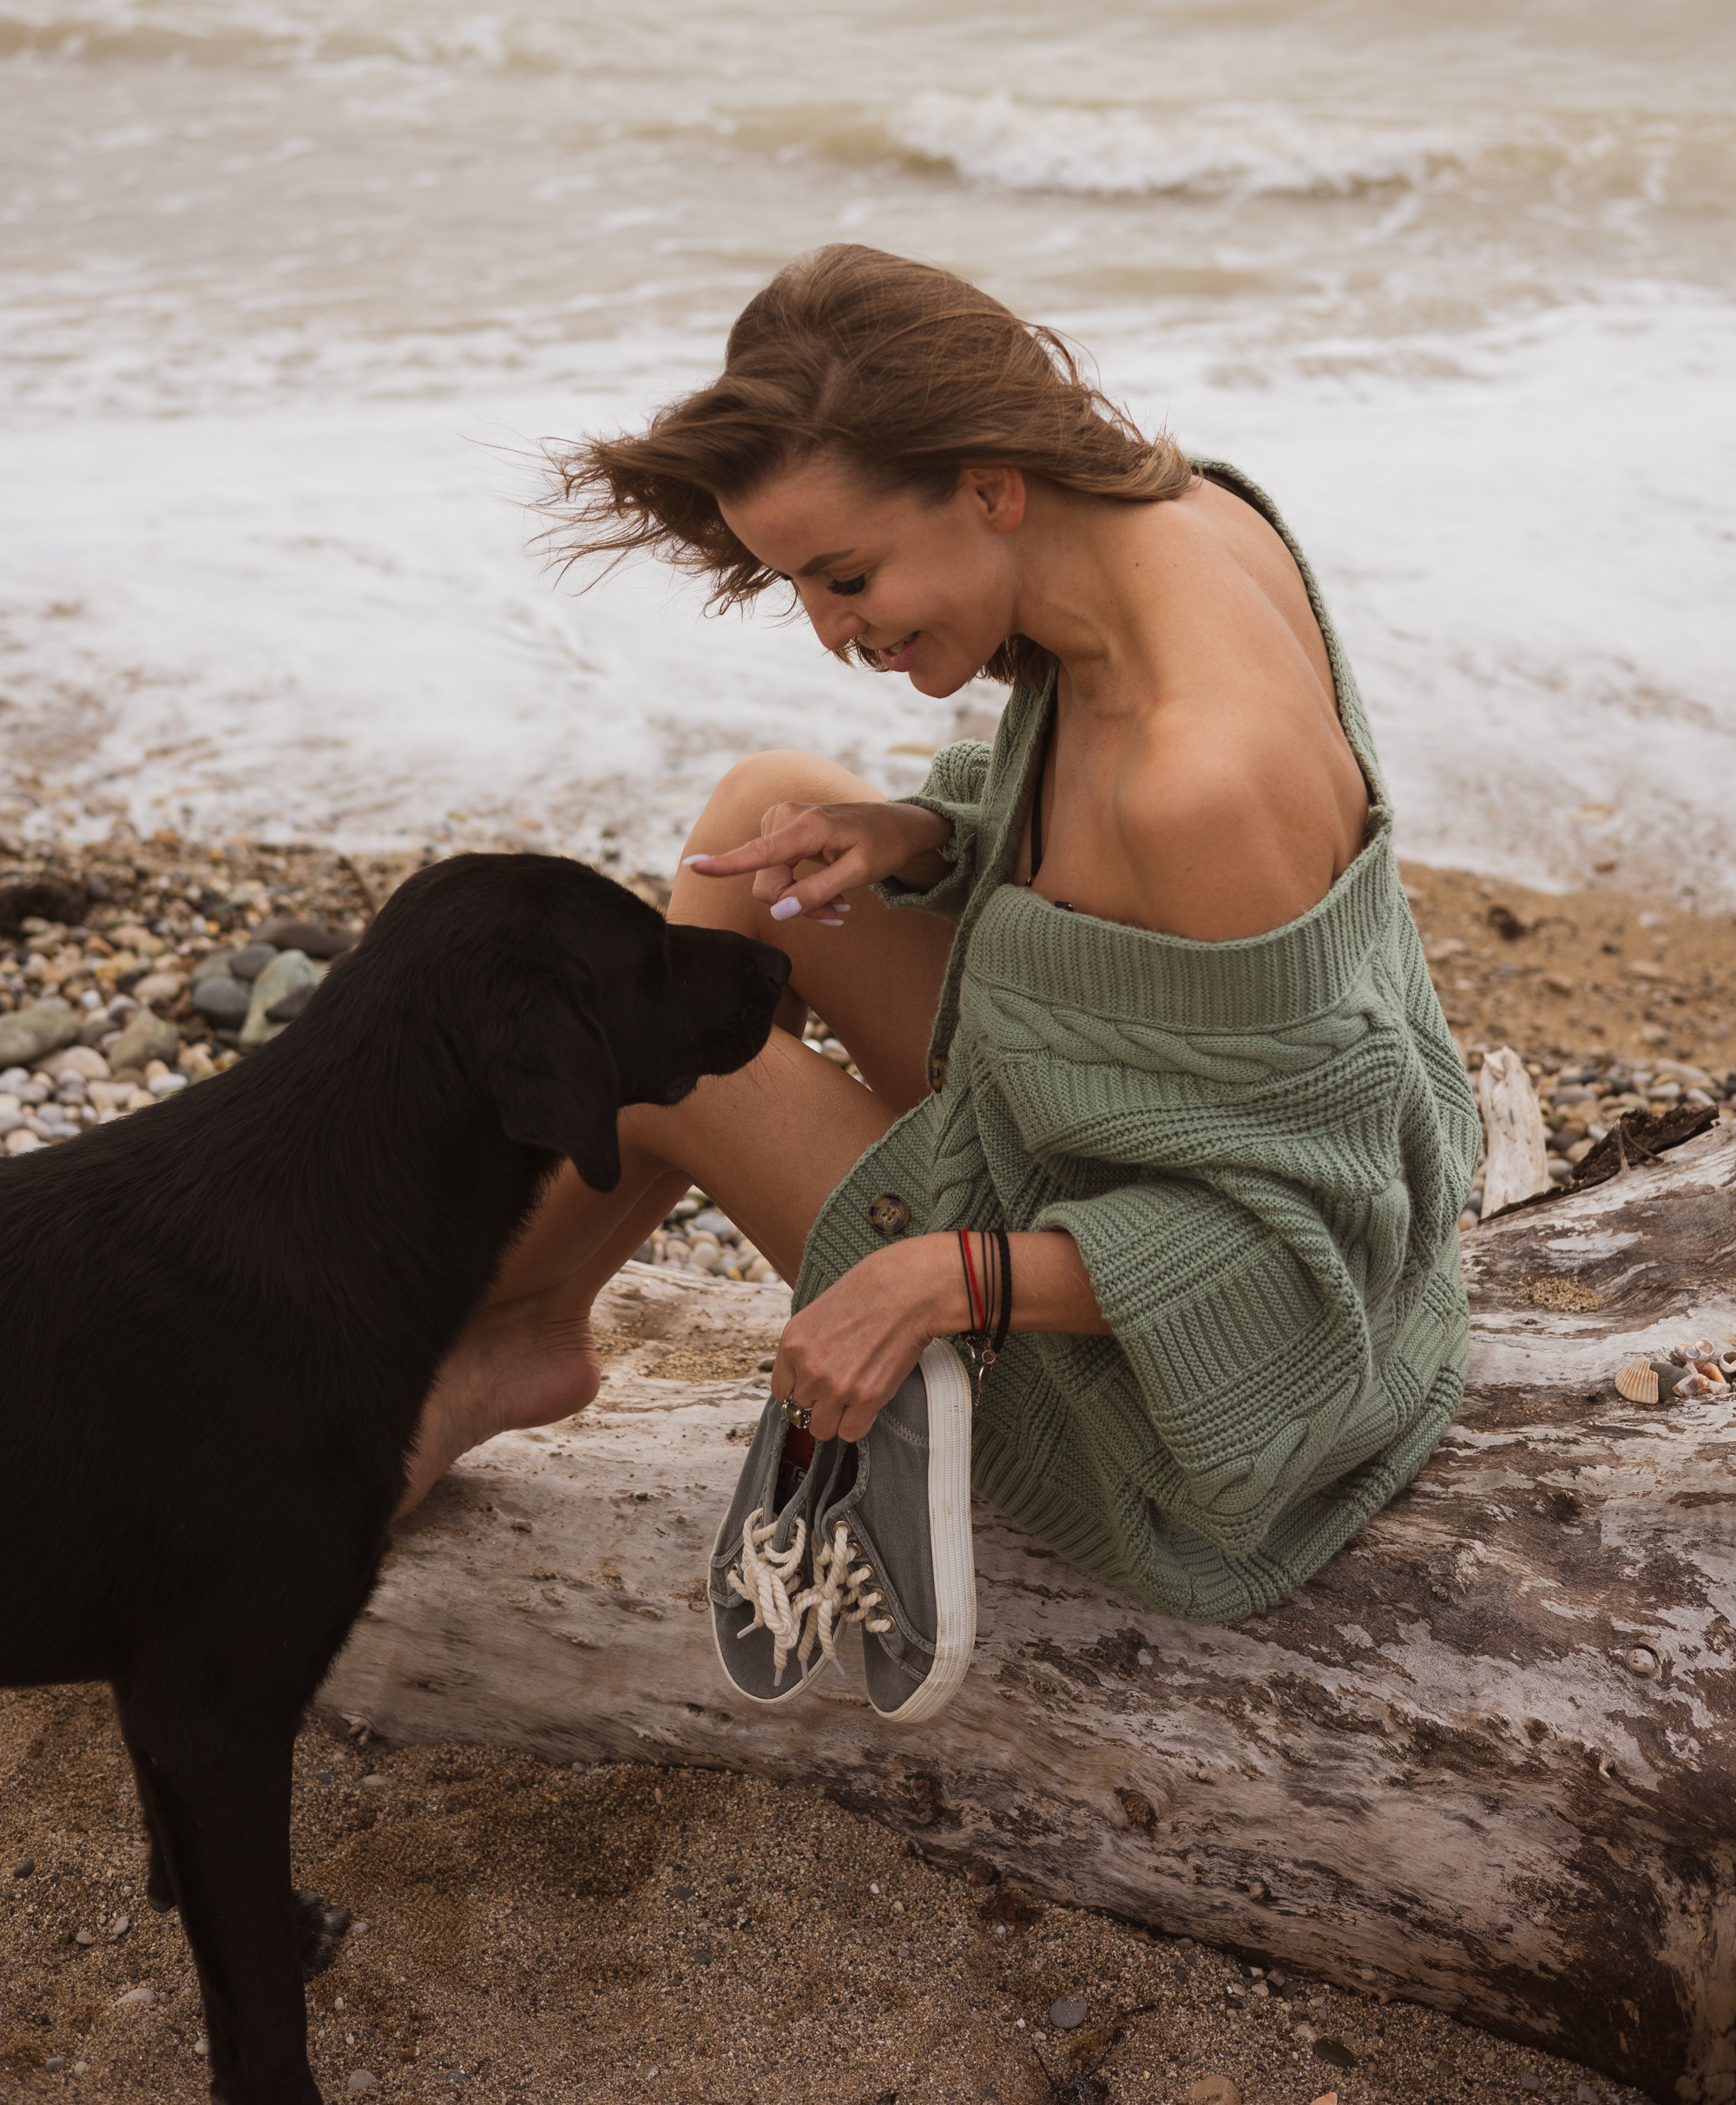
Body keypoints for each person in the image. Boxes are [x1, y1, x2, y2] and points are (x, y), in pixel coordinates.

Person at [402, 244, 1478, 1720]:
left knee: (673, 1058)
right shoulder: (1184, 522)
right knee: (754, 829)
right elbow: (1107, 903)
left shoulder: (1202, 785)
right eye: (801, 587)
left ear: (987, 481)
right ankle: (532, 1310)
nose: (836, 631)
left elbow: (1299, 1269)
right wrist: (920, 836)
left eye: (846, 576)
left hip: (1198, 1421)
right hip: (1098, 1150)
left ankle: (495, 1339)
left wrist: (944, 1277)